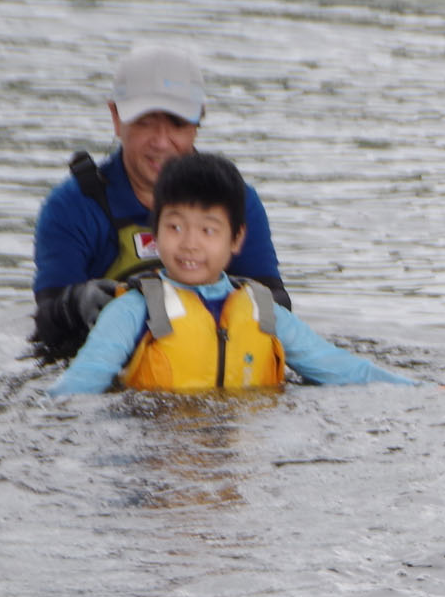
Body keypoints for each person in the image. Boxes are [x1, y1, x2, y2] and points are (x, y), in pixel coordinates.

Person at [49, 152, 415, 395]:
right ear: (155, 233)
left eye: (208, 230)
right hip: (155, 456)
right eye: (175, 227)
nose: (190, 244)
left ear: (236, 239)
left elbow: (339, 368)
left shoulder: (262, 311)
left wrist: (418, 390)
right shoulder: (134, 309)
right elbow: (83, 381)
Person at [30, 44, 290, 361]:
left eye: (177, 123)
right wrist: (75, 304)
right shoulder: (71, 206)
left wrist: (220, 297)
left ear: (198, 123)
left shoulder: (237, 200)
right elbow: (47, 324)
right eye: (145, 121)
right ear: (116, 117)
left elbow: (278, 306)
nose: (161, 141)